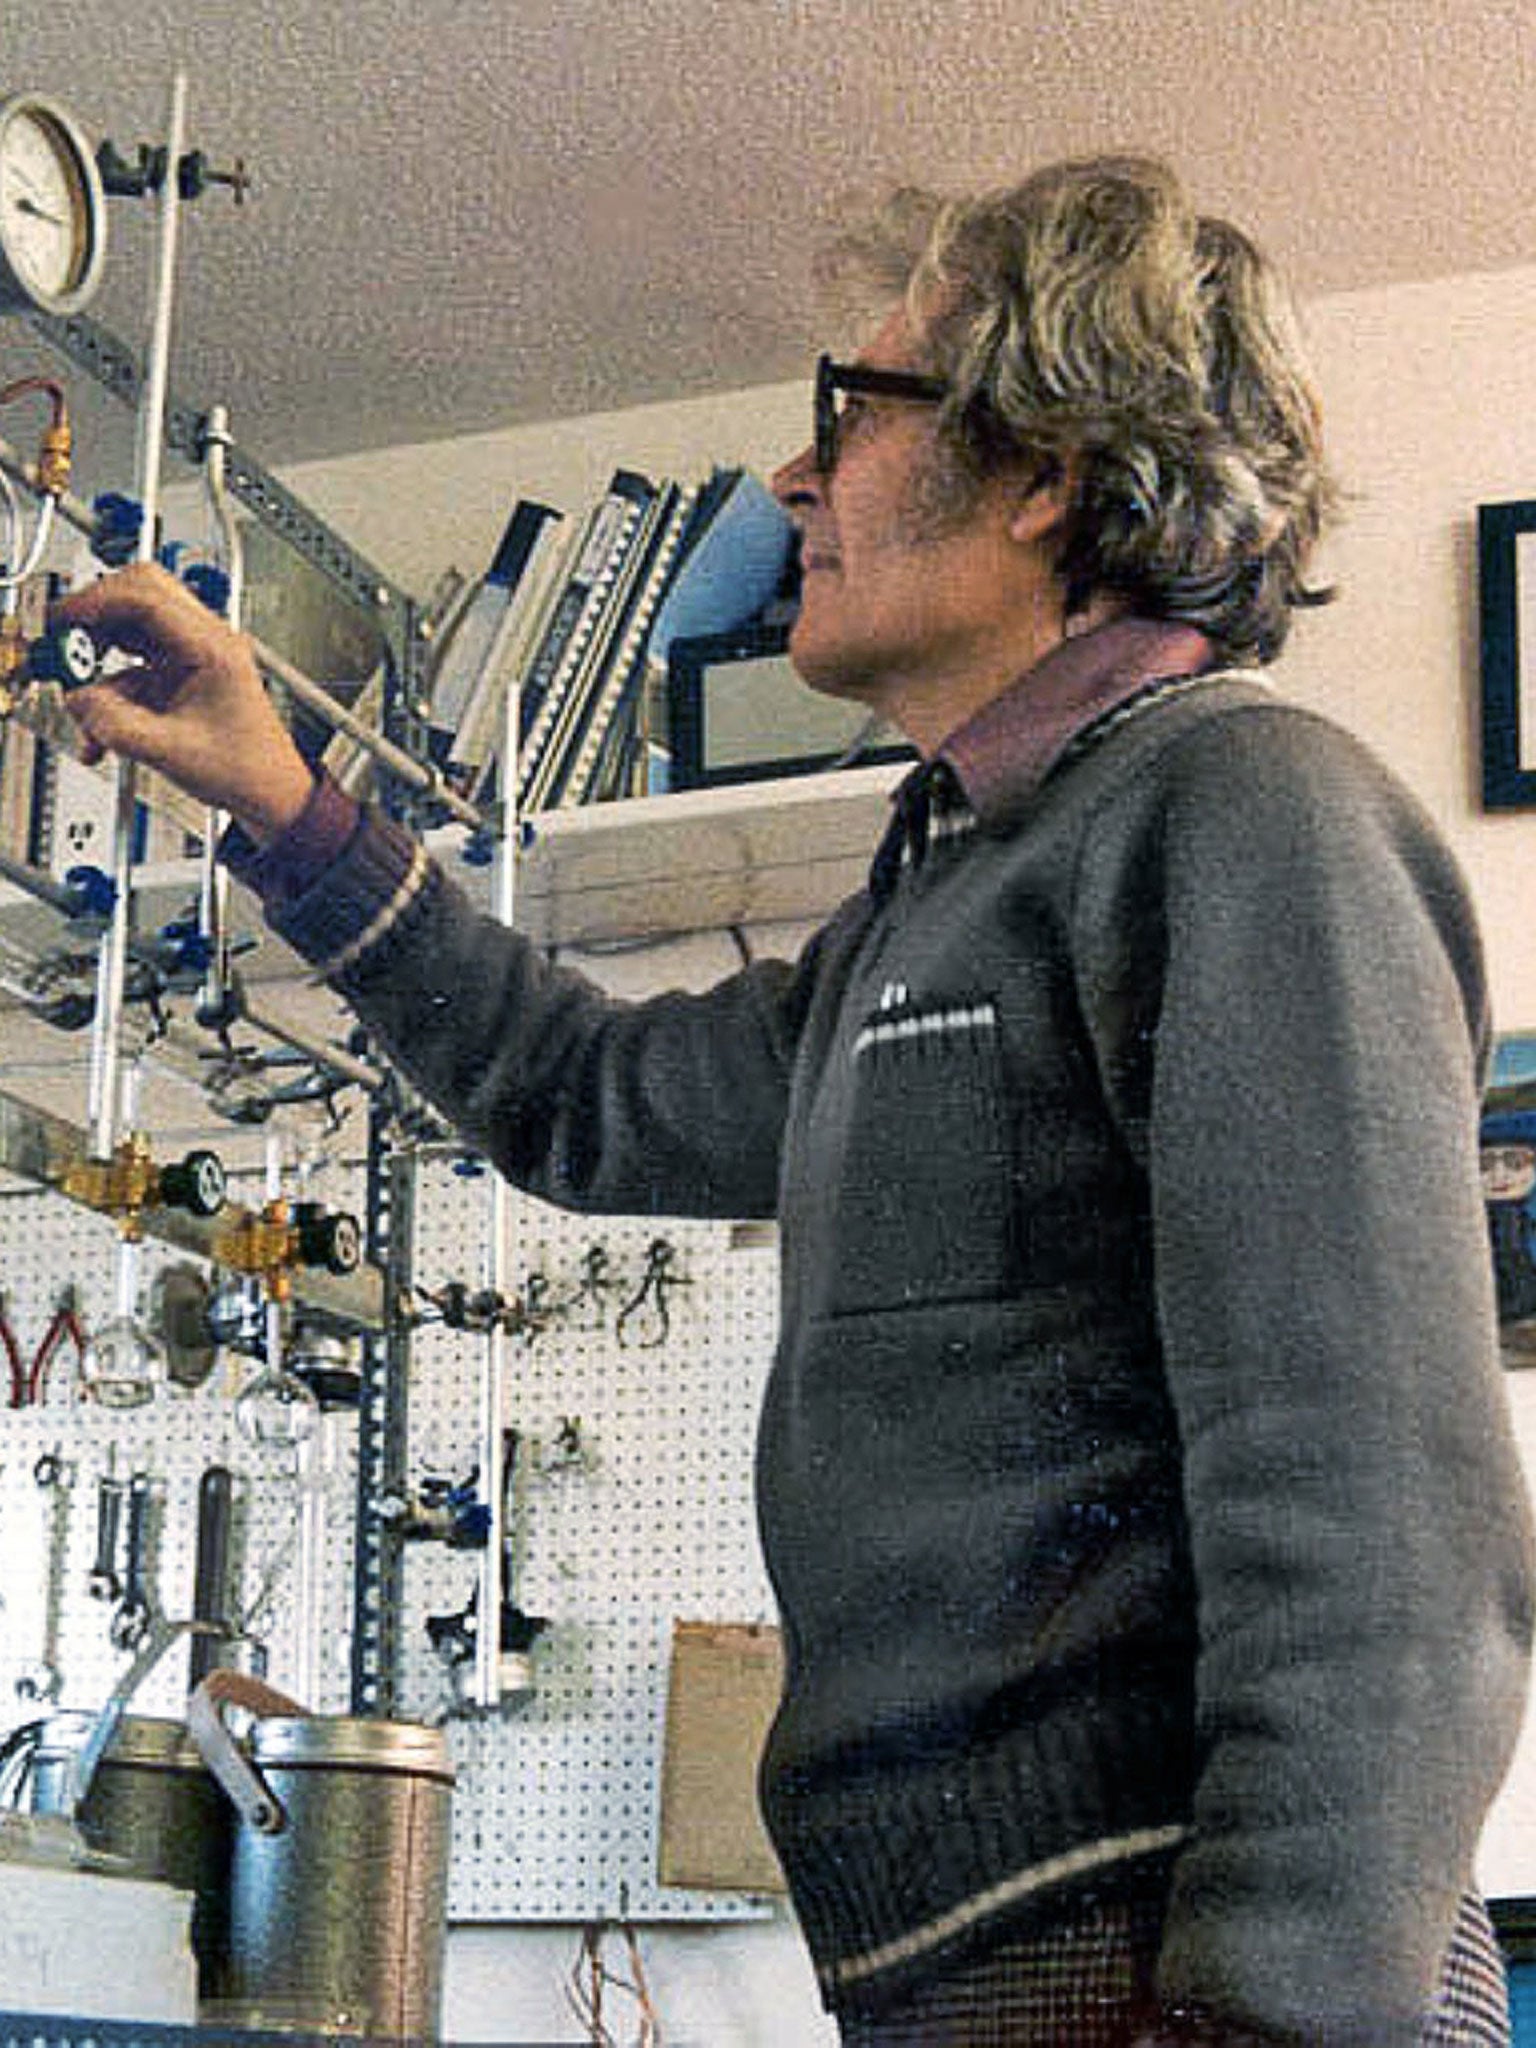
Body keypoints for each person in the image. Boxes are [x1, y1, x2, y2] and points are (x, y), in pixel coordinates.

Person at [54, 155, 1534, 2045]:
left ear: (1044, 470)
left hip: (1181, 1970)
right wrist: (285, 803)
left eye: (851, 413)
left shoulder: (1246, 812)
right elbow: (581, 1095)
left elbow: (1388, 1516)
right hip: (983, 1970)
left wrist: (1276, 2012)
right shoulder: (936, 900)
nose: (792, 481)